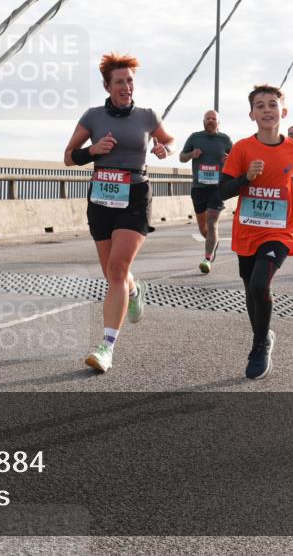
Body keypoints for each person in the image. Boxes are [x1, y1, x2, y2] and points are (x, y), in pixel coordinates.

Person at [64, 52, 175, 372]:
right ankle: (134, 289)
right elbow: (69, 157)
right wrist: (93, 151)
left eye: (129, 81)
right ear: (107, 86)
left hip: (135, 196)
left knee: (116, 268)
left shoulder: (147, 116)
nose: (126, 86)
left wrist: (162, 148)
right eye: (119, 82)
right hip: (101, 197)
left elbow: (167, 141)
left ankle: (106, 348)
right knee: (114, 274)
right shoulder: (93, 117)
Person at [219, 84, 293, 380]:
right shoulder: (242, 149)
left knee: (261, 285)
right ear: (252, 114)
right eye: (259, 105)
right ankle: (264, 334)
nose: (266, 110)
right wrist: (245, 178)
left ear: (282, 112)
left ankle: (259, 345)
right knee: (250, 289)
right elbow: (223, 190)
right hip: (248, 230)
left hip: (280, 230)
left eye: (272, 104)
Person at [180, 110, 233, 274]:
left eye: (214, 118)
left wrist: (229, 159)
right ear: (203, 121)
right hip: (199, 188)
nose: (211, 120)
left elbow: (237, 159)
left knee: (212, 222)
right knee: (204, 228)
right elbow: (182, 157)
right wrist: (191, 154)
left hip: (217, 188)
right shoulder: (195, 137)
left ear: (219, 122)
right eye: (208, 118)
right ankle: (213, 243)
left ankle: (207, 259)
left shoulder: (225, 139)